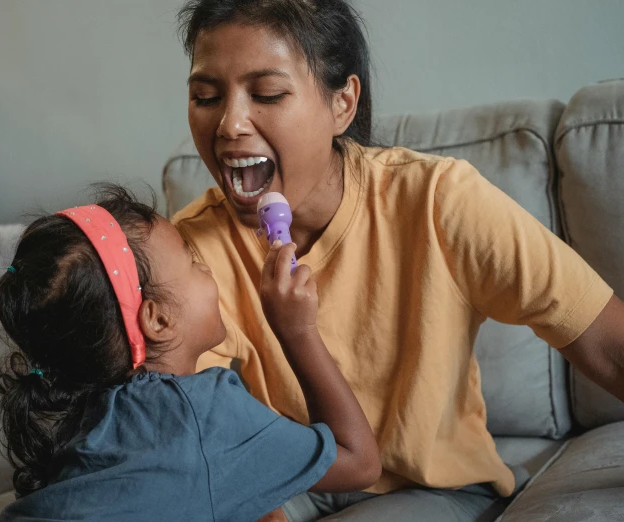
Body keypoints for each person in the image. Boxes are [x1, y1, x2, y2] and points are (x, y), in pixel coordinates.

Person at [173, 1, 624, 520]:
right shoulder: (191, 252)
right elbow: (198, 441)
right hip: (291, 481)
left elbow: (608, 344)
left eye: (267, 93)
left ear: (343, 103)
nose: (229, 123)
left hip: (430, 487)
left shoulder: (437, 201)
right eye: (205, 96)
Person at [0, 184, 381, 522]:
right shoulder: (205, 413)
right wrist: (298, 331)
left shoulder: (80, 424)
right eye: (193, 262)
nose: (208, 269)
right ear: (157, 320)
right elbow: (361, 463)